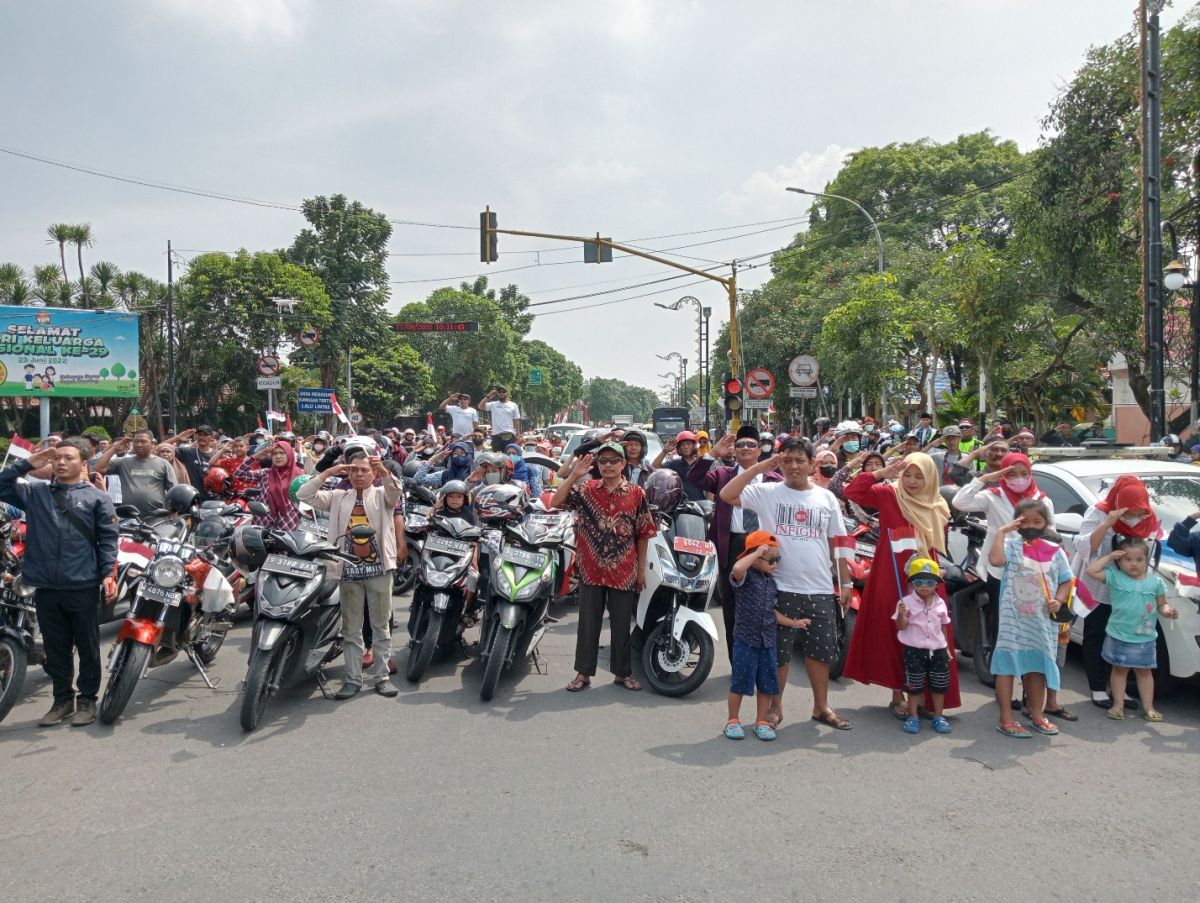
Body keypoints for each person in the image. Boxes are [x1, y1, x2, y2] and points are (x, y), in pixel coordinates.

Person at [720, 437, 854, 731]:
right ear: (781, 462)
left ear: (811, 465)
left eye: (800, 461)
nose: (794, 466)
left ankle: (821, 707)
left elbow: (839, 543)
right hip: (778, 586)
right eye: (788, 460)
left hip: (819, 586)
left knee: (820, 653)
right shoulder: (766, 491)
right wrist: (761, 467)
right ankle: (773, 710)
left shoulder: (826, 498)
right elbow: (728, 495)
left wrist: (845, 584)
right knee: (777, 654)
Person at [0, 439, 118, 727]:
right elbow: (2, 484)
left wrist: (108, 574)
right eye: (57, 458)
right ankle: (62, 701)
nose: (61, 462)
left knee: (88, 645)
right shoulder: (36, 493)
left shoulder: (97, 498)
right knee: (56, 647)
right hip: (46, 586)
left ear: (83, 464)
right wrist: (28, 462)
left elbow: (107, 539)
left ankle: (87, 700)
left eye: (68, 458)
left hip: (83, 584)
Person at [843, 452, 961, 718]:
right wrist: (879, 474)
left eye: (919, 475)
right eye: (907, 474)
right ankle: (898, 695)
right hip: (890, 573)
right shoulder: (889, 495)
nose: (912, 481)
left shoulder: (938, 504)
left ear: (930, 477)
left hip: (927, 574)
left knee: (931, 631)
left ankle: (925, 697)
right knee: (896, 630)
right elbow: (852, 491)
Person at [552, 442, 656, 693]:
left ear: (623, 464)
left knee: (621, 624)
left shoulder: (636, 493)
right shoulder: (586, 489)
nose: (608, 465)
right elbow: (556, 501)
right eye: (603, 461)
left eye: (613, 461)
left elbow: (643, 533)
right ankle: (583, 673)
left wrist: (641, 570)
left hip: (623, 569)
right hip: (590, 568)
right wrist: (575, 474)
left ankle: (623, 673)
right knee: (588, 624)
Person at [297, 454, 403, 698]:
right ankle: (352, 680)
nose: (358, 474)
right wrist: (326, 474)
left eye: (364, 470)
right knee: (351, 629)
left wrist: (384, 472)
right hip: (347, 572)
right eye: (353, 470)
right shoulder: (337, 497)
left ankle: (382, 677)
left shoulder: (381, 494)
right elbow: (304, 495)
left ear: (373, 473)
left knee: (380, 626)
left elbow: (395, 492)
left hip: (379, 570)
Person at [688, 427, 783, 660]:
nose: (746, 448)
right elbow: (694, 477)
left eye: (751, 444)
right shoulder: (722, 474)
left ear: (760, 450)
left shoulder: (775, 479)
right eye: (740, 445)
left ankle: (766, 659)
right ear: (734, 450)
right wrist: (711, 454)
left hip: (765, 545)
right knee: (732, 605)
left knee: (768, 602)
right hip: (731, 545)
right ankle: (737, 661)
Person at [987, 499, 1074, 738]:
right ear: (1017, 522)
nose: (1032, 526)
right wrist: (1002, 531)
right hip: (1012, 622)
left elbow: (1066, 579)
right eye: (1026, 521)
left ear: (1047, 523)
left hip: (1042, 623)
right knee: (1006, 668)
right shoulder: (1011, 545)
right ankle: (1006, 718)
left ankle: (1037, 715)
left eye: (1038, 521)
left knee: (1038, 668)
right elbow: (995, 561)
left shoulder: (1055, 551)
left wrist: (1059, 598)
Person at [1072, 475, 1159, 710]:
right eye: (1128, 512)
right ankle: (1098, 688)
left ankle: (1119, 690)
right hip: (1098, 584)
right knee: (1096, 635)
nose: (1133, 518)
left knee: (1123, 639)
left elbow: (1149, 551)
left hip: (1129, 589)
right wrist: (1108, 524)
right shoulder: (1099, 512)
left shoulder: (1149, 518)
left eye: (1138, 512)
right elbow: (1084, 547)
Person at [724, 532, 806, 742]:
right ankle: (733, 720)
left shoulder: (771, 582)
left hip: (767, 641)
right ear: (755, 555)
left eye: (778, 559)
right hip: (745, 639)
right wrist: (758, 552)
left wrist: (793, 623)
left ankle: (761, 721)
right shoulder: (745, 577)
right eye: (771, 559)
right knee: (739, 682)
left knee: (767, 684)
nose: (775, 564)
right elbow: (736, 569)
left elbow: (772, 612)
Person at [1086, 539, 1178, 723]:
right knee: (1119, 670)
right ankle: (1118, 705)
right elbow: (1091, 571)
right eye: (1128, 559)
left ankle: (1148, 707)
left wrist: (1168, 611)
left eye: (1139, 559)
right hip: (1118, 635)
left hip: (1145, 638)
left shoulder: (1156, 582)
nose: (1134, 563)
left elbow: (1162, 604)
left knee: (1145, 672)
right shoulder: (1115, 576)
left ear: (1147, 560)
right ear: (1119, 562)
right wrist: (1110, 556)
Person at [893, 557, 953, 735]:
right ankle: (913, 716)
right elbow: (901, 627)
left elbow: (943, 626)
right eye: (919, 581)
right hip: (914, 651)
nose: (924, 586)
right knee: (914, 686)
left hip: (938, 650)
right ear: (912, 583)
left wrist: (947, 647)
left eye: (930, 581)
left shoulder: (941, 602)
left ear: (937, 583)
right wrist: (901, 615)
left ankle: (938, 716)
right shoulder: (906, 602)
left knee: (939, 684)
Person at [93, 430, 178, 515]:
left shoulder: (163, 464)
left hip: (156, 517)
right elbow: (98, 468)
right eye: (136, 442)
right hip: (129, 517)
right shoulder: (122, 462)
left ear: (152, 443)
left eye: (143, 441)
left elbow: (174, 493)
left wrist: (173, 516)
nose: (139, 445)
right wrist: (114, 449)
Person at [234, 440, 303, 530]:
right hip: (263, 523)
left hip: (288, 524)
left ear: (289, 454)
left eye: (282, 453)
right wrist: (257, 456)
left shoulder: (300, 476)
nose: (278, 456)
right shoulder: (265, 473)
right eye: (274, 453)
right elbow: (239, 474)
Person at [653, 431, 706, 502]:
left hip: (701, 506)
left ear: (694, 445)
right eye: (682, 445)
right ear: (679, 448)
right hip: (680, 507)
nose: (686, 447)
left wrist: (709, 506)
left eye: (688, 444)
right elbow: (655, 467)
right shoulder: (674, 464)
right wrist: (665, 451)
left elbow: (710, 489)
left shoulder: (702, 464)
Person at [479, 386, 522, 451]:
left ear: (507, 393)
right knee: (497, 458)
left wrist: (518, 434)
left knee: (509, 456)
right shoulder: (493, 404)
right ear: (497, 394)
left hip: (509, 435)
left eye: (503, 392)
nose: (501, 393)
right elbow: (480, 406)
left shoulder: (513, 405)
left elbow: (516, 421)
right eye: (499, 392)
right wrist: (489, 396)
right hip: (496, 435)